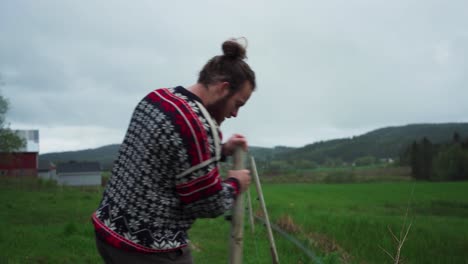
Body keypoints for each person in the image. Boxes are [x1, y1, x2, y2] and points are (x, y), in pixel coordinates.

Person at [92, 38, 256, 264]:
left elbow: (170, 157)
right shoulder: (198, 126)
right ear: (223, 88)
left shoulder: (158, 98)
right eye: (238, 103)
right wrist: (236, 183)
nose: (235, 113)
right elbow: (209, 203)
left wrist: (221, 150)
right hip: (147, 249)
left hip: (109, 232)